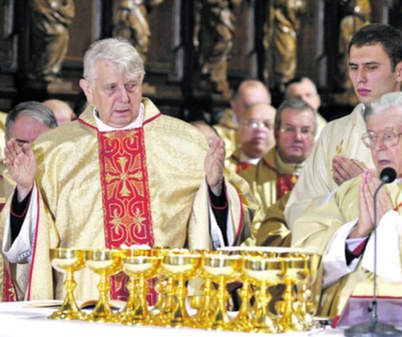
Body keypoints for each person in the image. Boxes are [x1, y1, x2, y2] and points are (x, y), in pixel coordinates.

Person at [0, 38, 251, 302]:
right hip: (83, 307)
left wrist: (215, 190)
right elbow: (21, 252)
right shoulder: (52, 151)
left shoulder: (186, 142)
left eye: (131, 86)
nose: (123, 98)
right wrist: (27, 191)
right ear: (87, 89)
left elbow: (230, 233)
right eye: (111, 88)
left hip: (166, 308)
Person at [292, 91, 402, 318]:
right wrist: (355, 235)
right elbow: (304, 249)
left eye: (389, 136)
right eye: (372, 138)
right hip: (341, 324)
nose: (378, 148)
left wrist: (389, 223)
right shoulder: (358, 187)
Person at [284, 23, 402, 228]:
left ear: (401, 71)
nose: (360, 79)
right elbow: (298, 212)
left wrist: (362, 188)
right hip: (342, 256)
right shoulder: (334, 133)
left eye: (371, 67)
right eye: (354, 68)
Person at [240, 98, 315, 213]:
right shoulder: (248, 182)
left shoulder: (328, 177)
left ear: (314, 135)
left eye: (305, 131)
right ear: (276, 132)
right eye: (290, 129)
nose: (298, 137)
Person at [0, 102, 57, 211]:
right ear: (7, 140)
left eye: (39, 144)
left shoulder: (68, 183)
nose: (30, 153)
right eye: (21, 144)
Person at [213, 79, 271, 159]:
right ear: (234, 105)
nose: (255, 113)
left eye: (261, 107)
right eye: (248, 107)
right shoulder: (214, 137)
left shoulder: (279, 136)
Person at [264, 0, 306, 92]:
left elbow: (301, 7)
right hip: (278, 26)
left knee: (289, 52)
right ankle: (279, 80)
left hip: (289, 27)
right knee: (283, 53)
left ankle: (286, 79)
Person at [29, 0, 75, 83]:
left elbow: (68, 6)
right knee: (58, 33)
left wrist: (63, 13)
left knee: (62, 33)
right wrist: (53, 15)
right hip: (43, 21)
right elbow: (38, 6)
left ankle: (50, 71)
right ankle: (45, 71)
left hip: (57, 19)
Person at [226, 103, 276, 173]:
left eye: (267, 125)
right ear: (239, 128)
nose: (260, 129)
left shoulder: (289, 172)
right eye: (253, 123)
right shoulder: (223, 168)